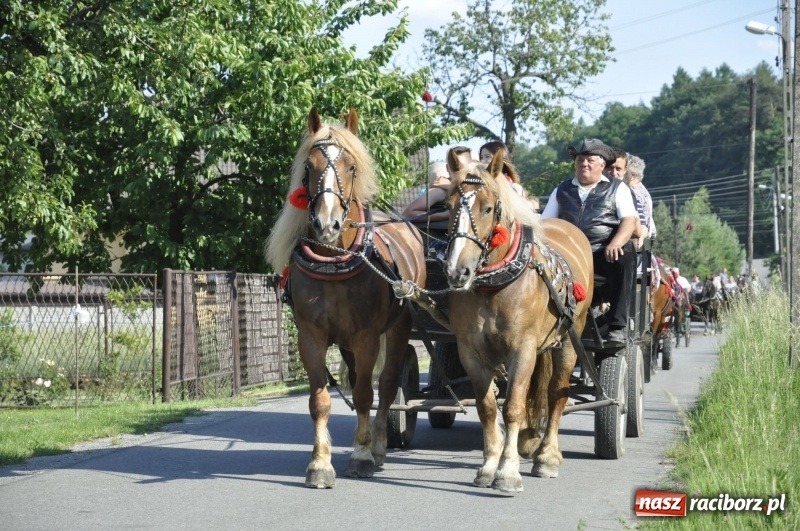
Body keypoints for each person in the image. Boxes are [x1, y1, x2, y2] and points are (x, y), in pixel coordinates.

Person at [540, 138, 638, 345]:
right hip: (566, 257)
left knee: (626, 253)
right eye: (580, 160)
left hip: (602, 254)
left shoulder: (618, 189)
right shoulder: (561, 190)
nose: (584, 164)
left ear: (602, 165)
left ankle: (616, 326)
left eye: (590, 160)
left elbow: (629, 220)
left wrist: (616, 243)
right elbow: (544, 225)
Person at [402, 146, 473, 221]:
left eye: (463, 166)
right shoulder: (441, 190)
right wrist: (443, 215)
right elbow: (408, 213)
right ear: (447, 168)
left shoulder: (479, 187)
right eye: (454, 166)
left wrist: (451, 186)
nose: (458, 170)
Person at [479, 141, 540, 211]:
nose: (483, 160)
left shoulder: (514, 187)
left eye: (487, 156)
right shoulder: (479, 183)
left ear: (499, 159)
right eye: (481, 157)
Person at [623, 154, 656, 245]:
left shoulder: (633, 192)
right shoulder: (642, 189)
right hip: (647, 242)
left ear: (633, 175)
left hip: (637, 243)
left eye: (625, 171)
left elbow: (641, 221)